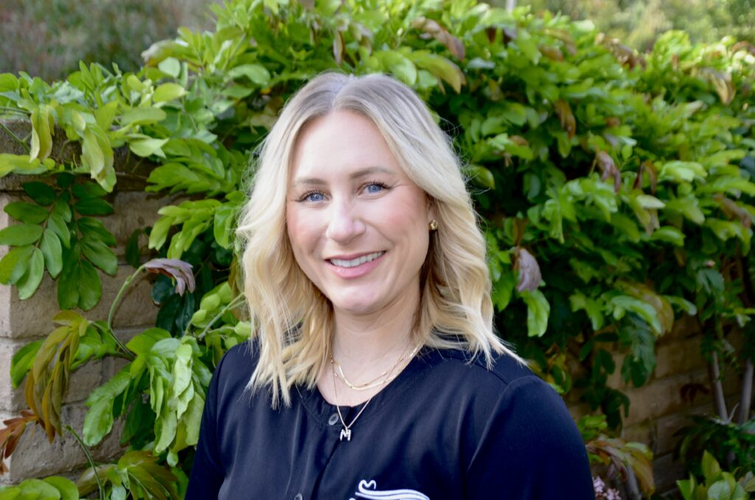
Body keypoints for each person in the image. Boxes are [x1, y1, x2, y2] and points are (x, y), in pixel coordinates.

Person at [187, 72, 595, 499]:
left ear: (432, 202)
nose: (342, 227)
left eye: (373, 186)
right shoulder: (242, 382)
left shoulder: (508, 418)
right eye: (313, 195)